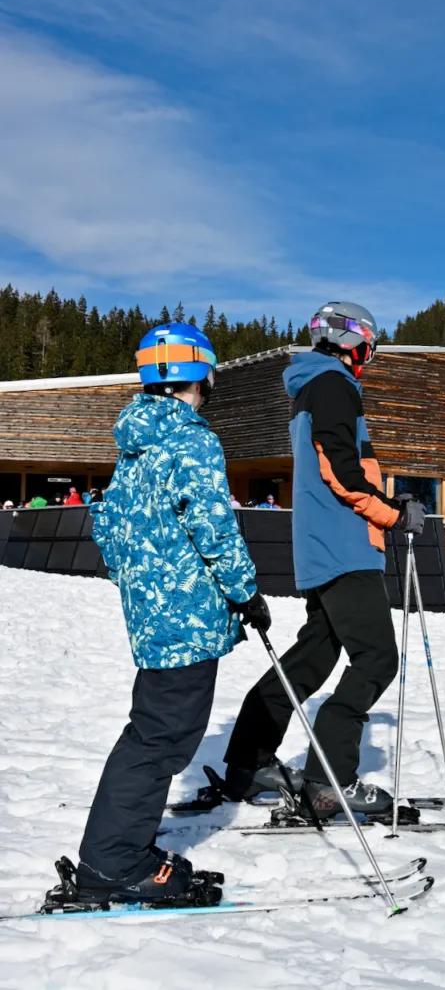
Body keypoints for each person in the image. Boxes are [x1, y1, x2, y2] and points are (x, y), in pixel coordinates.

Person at [68, 321, 270, 910]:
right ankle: (112, 863)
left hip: (156, 615)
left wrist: (141, 585)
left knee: (155, 731)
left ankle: (116, 852)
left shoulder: (135, 443)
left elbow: (108, 527)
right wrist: (245, 592)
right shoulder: (190, 440)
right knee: (159, 738)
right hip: (187, 617)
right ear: (201, 376)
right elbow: (214, 526)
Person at [218, 301, 426, 818]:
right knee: (377, 659)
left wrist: (390, 502)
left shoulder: (314, 385)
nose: (369, 357)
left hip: (322, 544)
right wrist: (392, 516)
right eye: (369, 348)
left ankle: (248, 762)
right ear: (354, 341)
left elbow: (339, 465)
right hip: (344, 546)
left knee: (313, 657)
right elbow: (340, 468)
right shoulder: (334, 384)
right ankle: (329, 781)